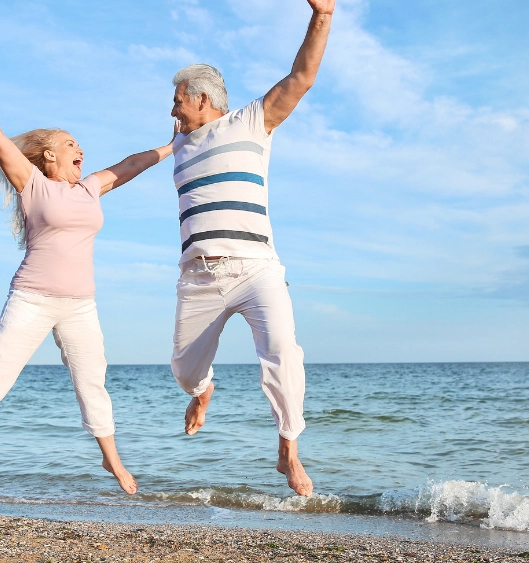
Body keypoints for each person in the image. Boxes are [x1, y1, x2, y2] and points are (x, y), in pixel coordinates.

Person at [0, 51, 175, 507]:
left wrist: (176, 145)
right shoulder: (33, 184)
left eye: (80, 146)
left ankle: (110, 457)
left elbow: (132, 164)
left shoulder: (90, 186)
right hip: (32, 298)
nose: (81, 150)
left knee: (92, 378)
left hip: (80, 304)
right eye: (71, 144)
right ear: (49, 154)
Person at [167, 0, 335, 497]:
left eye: (178, 100)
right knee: (183, 368)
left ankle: (288, 446)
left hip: (257, 266)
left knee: (283, 350)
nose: (172, 109)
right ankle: (203, 392)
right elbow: (144, 156)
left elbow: (301, 77)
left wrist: (322, 15)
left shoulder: (251, 121)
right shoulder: (177, 142)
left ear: (202, 98)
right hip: (198, 275)